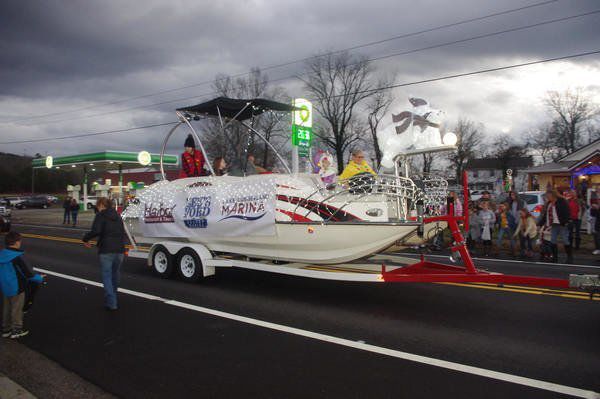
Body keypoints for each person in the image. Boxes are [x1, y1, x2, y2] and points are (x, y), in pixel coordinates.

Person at [82, 197, 126, 311]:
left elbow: (96, 231)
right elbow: (122, 232)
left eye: (98, 205)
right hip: (120, 250)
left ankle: (111, 302)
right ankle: (113, 296)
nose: (97, 207)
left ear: (101, 205)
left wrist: (85, 239)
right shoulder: (118, 216)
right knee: (115, 274)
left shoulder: (101, 216)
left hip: (106, 250)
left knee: (107, 276)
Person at [0, 232, 43, 339]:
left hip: (5, 286)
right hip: (16, 287)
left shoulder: (2, 254)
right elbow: (28, 274)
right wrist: (40, 278)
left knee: (7, 307)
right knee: (17, 309)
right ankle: (17, 330)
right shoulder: (18, 257)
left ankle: (6, 329)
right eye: (20, 241)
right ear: (17, 242)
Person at [537, 189, 572, 263]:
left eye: (548, 196)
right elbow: (545, 216)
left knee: (565, 240)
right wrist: (539, 224)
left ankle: (569, 257)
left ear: (553, 195)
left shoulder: (561, 201)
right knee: (552, 241)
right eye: (547, 196)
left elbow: (566, 212)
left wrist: (567, 221)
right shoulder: (549, 204)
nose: (547, 197)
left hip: (562, 224)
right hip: (553, 224)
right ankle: (555, 257)